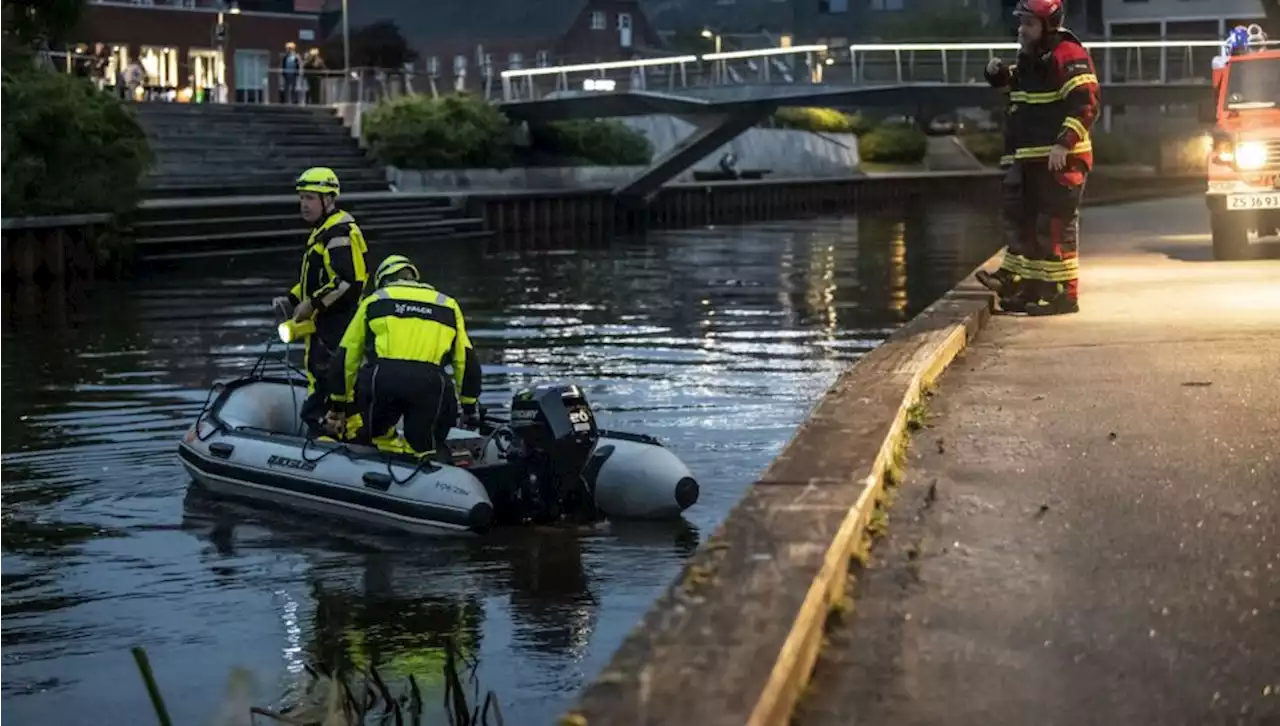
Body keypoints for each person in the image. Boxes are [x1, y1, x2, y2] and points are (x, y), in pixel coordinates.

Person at [975, 0, 1100, 316]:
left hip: (1061, 160)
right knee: (1030, 225)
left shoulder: (1068, 55)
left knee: (1056, 227)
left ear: (1048, 26)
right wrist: (1000, 77)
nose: (1022, 30)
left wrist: (1063, 144)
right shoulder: (1033, 57)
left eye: (1029, 24)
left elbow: (1086, 104)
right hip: (1034, 158)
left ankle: (1064, 295)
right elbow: (1023, 92)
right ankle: (1031, 289)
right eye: (1021, 23)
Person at [325, 255, 483, 459]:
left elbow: (347, 355)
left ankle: (384, 456)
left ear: (383, 280)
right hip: (431, 384)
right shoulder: (448, 305)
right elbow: (466, 361)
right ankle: (426, 463)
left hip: (383, 380)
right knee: (425, 444)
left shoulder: (376, 300)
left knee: (378, 434)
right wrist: (469, 404)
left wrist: (339, 402)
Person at [272, 167, 370, 435]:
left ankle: (345, 443)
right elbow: (316, 280)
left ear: (328, 200)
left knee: (333, 390)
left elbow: (348, 282)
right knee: (322, 383)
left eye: (310, 198)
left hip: (337, 327)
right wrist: (292, 299)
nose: (304, 204)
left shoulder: (338, 234)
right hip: (323, 327)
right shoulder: (323, 231)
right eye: (301, 197)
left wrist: (312, 304)